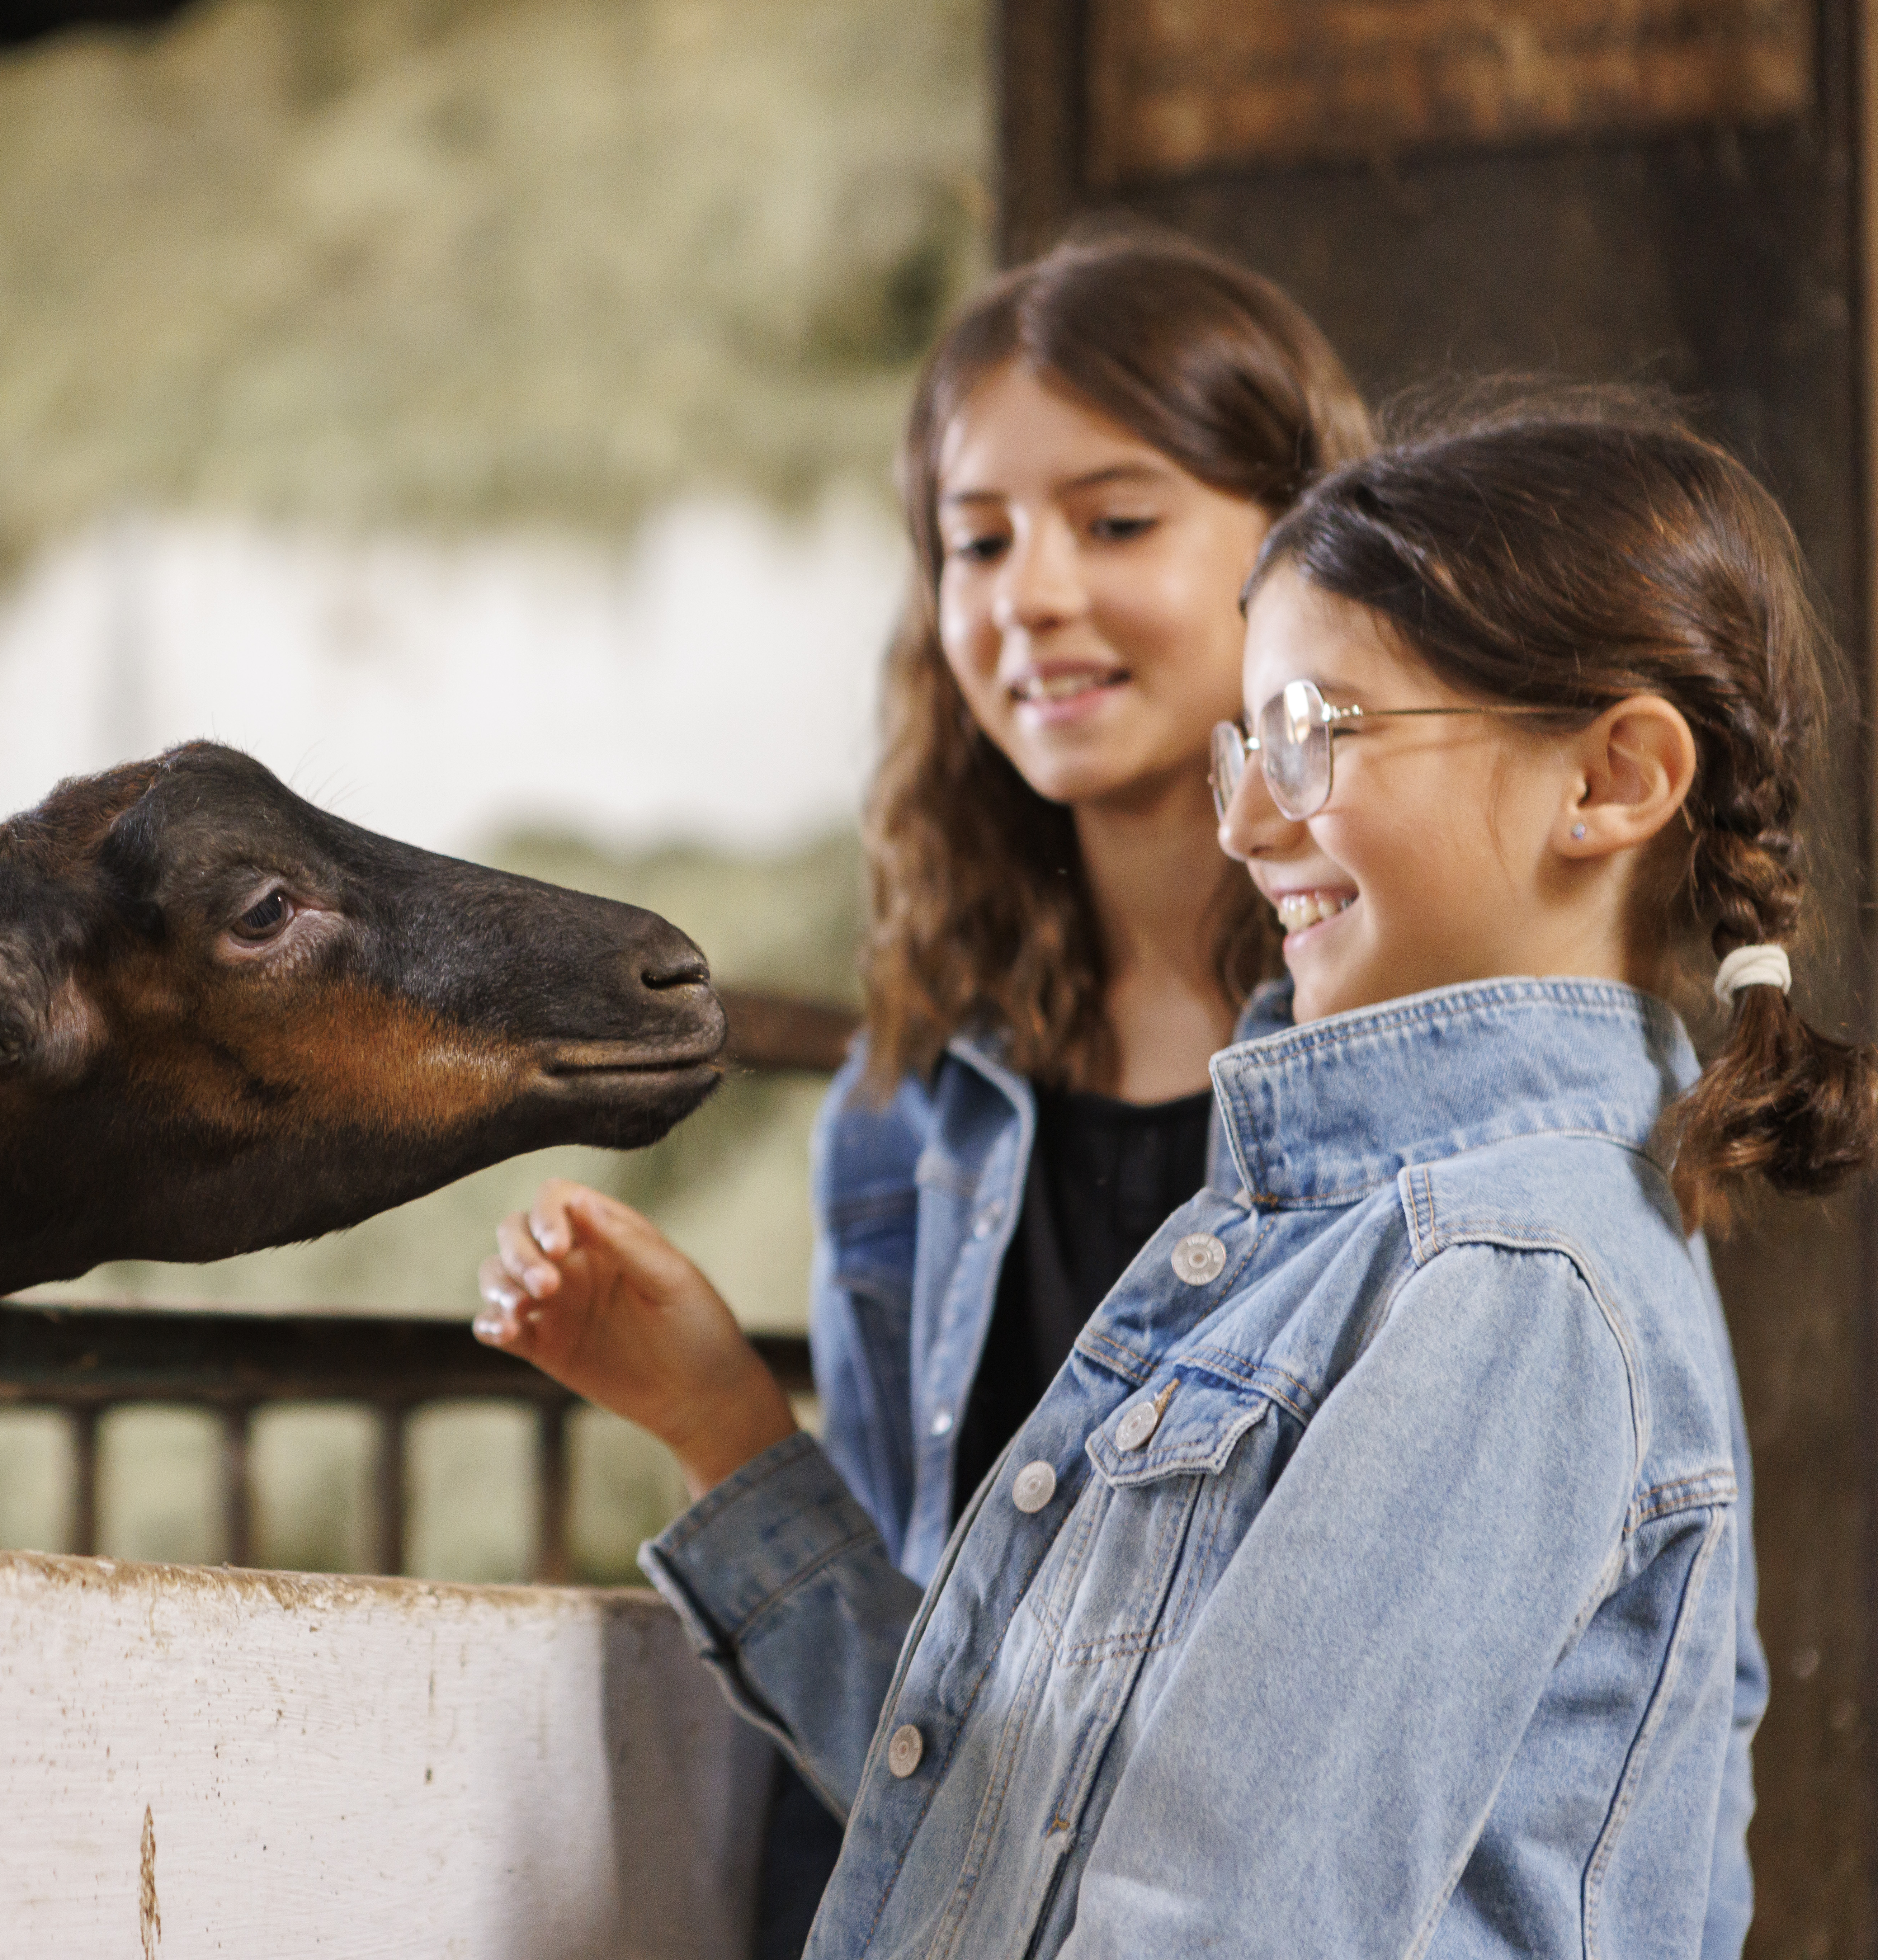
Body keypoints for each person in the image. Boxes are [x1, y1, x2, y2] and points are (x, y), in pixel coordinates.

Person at [481, 399, 1803, 1949]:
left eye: (1315, 734)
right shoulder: (1361, 1240)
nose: (1241, 816)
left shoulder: (1510, 1275)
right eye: (1249, 742)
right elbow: (1014, 1832)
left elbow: (1215, 1919)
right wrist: (721, 1428)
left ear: (1613, 779)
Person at [500, 229, 1379, 1951]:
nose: (1025, 594)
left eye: (1114, 522)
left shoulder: (1419, 1072)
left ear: (1301, 556)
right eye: (972, 540)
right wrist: (713, 1422)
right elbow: (909, 1690)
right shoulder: (909, 1108)